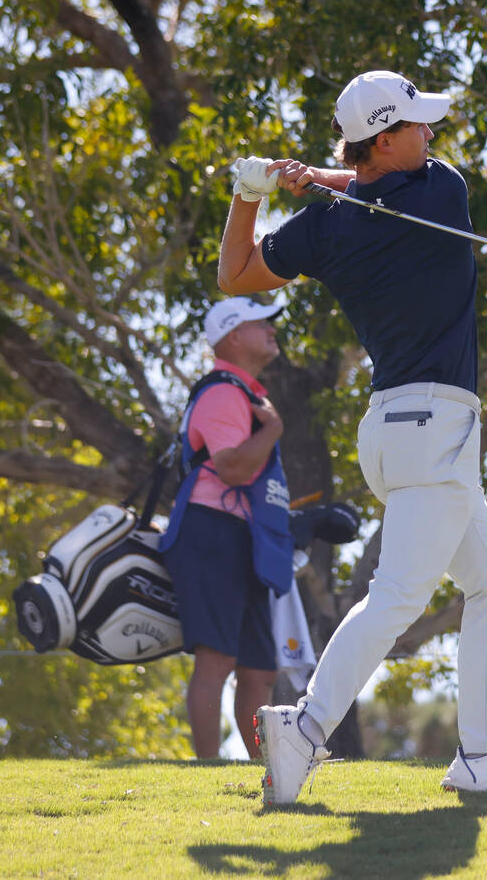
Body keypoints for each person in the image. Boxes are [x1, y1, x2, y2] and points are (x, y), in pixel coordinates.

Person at [218, 69, 487, 802]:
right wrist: (320, 178)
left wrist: (252, 193)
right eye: (419, 124)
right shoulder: (441, 192)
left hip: (391, 434)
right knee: (397, 595)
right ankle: (303, 728)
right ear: (387, 139)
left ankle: (481, 756)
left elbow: (236, 274)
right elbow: (370, 182)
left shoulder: (327, 225)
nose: (432, 132)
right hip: (436, 428)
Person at [158, 296, 294, 759]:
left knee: (259, 669)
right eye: (263, 324)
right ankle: (207, 770)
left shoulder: (247, 392)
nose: (273, 330)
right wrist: (273, 430)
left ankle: (269, 772)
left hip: (244, 537)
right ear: (234, 335)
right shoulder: (222, 391)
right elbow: (233, 467)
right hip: (211, 530)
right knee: (216, 659)